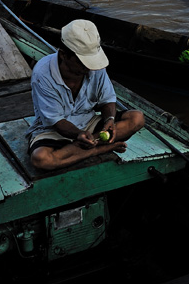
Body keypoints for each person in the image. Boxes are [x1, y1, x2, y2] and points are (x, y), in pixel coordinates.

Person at [27, 20, 145, 171]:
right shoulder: (42, 74)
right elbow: (56, 122)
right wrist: (79, 135)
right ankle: (98, 149)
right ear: (64, 55)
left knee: (137, 118)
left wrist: (110, 119)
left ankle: (80, 149)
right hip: (54, 129)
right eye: (83, 62)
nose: (89, 67)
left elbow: (107, 99)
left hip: (89, 123)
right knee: (41, 160)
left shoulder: (94, 68)